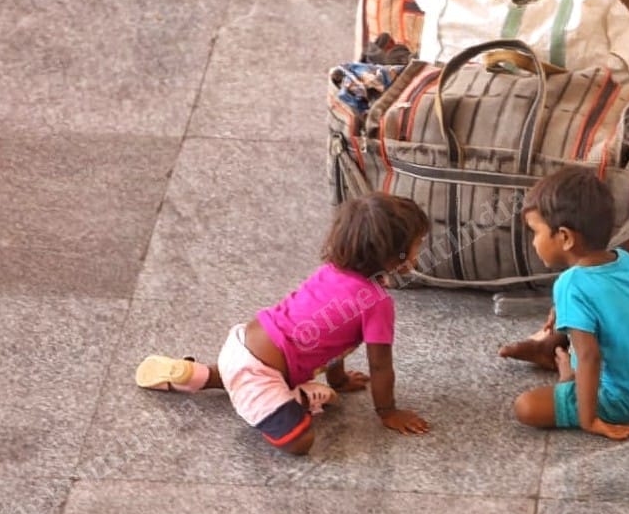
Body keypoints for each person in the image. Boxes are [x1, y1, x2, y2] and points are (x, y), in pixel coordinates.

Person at [134, 193, 432, 455]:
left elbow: (334, 340)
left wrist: (338, 381)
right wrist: (388, 411)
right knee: (300, 441)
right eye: (417, 244)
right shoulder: (376, 303)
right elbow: (380, 366)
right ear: (396, 256)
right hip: (263, 372)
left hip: (242, 344)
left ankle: (195, 375)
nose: (420, 251)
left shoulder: (331, 272)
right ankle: (294, 397)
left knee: (238, 373)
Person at [507, 166, 629, 440]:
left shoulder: (570, 283)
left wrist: (589, 420)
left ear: (564, 237)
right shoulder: (625, 259)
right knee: (580, 323)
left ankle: (566, 377)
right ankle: (549, 352)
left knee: (526, 407)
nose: (533, 242)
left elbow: (590, 355)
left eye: (535, 232)